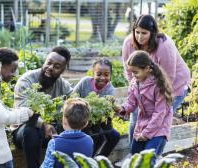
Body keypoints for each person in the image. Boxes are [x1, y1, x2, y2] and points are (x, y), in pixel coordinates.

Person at [122, 14, 190, 144]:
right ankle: (134, 156)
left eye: (144, 33)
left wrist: (156, 99)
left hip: (172, 86)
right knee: (136, 117)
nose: (140, 36)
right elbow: (129, 72)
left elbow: (168, 78)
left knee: (159, 120)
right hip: (145, 87)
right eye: (137, 32)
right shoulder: (128, 43)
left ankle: (151, 156)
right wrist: (135, 94)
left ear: (152, 33)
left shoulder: (164, 46)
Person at [12, 46, 72, 168]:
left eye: (56, 66)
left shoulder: (62, 84)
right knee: (31, 130)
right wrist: (44, 124)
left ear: (62, 70)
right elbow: (22, 113)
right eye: (49, 63)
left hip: (51, 131)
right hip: (23, 132)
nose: (50, 68)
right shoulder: (26, 80)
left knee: (72, 129)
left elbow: (74, 99)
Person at [116, 51, 173, 166]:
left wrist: (146, 133)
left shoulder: (158, 85)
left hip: (159, 127)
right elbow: (131, 103)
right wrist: (122, 108)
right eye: (131, 72)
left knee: (148, 158)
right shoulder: (135, 82)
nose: (133, 75)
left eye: (135, 72)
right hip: (142, 123)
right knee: (135, 155)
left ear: (147, 68)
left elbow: (159, 114)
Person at [73, 58, 120, 157]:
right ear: (93, 73)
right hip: (80, 119)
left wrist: (115, 109)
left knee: (114, 136)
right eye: (98, 74)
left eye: (106, 75)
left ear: (110, 75)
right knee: (97, 136)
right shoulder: (84, 82)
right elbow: (72, 97)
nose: (102, 78)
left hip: (98, 120)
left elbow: (107, 111)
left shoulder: (110, 90)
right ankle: (86, 160)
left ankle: (99, 159)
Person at [41, 98, 93, 168]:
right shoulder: (90, 140)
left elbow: (46, 166)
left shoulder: (54, 143)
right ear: (86, 123)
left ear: (64, 120)